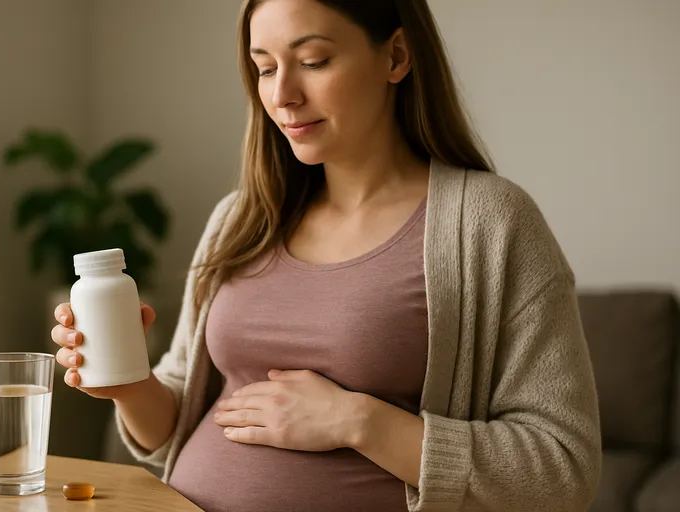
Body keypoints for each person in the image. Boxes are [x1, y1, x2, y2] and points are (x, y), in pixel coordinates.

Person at [51, 1, 602, 510]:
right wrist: (128, 386)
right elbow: (174, 425)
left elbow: (563, 466)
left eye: (313, 61)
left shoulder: (492, 222)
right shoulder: (239, 219)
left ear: (396, 56)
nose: (283, 94)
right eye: (265, 68)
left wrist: (358, 422)